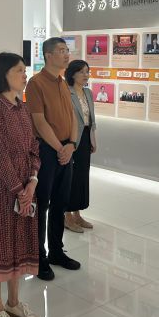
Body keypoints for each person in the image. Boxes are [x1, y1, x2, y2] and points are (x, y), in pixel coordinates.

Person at [0, 52, 43, 317]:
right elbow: (0, 155)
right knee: (0, 246)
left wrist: (32, 182)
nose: (24, 75)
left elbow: (34, 148)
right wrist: (19, 190)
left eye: (24, 70)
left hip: (26, 186)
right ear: (3, 74)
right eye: (19, 70)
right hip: (3, 189)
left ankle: (14, 302)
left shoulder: (22, 107)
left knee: (19, 243)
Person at [25, 38, 82, 280]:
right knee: (42, 205)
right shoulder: (36, 83)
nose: (66, 54)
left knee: (60, 203)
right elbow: (39, 122)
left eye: (67, 50)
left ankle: (57, 252)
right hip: (47, 151)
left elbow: (73, 118)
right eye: (61, 50)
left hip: (65, 150)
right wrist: (60, 148)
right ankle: (39, 258)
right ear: (48, 55)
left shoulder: (63, 83)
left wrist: (71, 145)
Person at [65, 60, 97, 233]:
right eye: (82, 72)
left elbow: (91, 120)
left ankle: (77, 213)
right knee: (69, 177)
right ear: (73, 74)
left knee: (82, 176)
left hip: (85, 137)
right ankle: (67, 216)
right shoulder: (66, 92)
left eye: (87, 71)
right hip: (70, 139)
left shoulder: (88, 92)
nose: (86, 75)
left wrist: (93, 139)